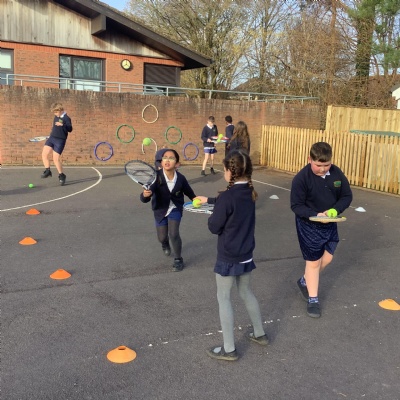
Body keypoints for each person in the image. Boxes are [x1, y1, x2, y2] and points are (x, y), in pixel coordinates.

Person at [201, 150, 268, 361]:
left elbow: (214, 226)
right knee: (246, 292)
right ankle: (260, 333)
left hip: (228, 256)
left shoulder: (227, 197)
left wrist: (213, 211)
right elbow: (231, 204)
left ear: (230, 171)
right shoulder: (250, 192)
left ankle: (229, 349)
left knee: (224, 298)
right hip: (246, 253)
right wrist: (211, 200)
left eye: (224, 169)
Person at [290, 142, 352, 318]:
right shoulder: (301, 178)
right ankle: (313, 299)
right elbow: (296, 205)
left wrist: (335, 210)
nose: (323, 169)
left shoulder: (336, 173)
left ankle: (305, 280)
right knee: (313, 262)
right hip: (308, 224)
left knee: (328, 258)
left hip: (330, 222)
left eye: (327, 165)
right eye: (318, 165)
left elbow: (346, 196)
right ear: (309, 159)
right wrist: (315, 214)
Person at [140, 149, 197, 272]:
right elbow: (145, 197)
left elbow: (189, 192)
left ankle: (178, 259)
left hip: (175, 208)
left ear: (177, 164)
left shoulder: (181, 178)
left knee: (174, 234)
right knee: (162, 237)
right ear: (161, 162)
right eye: (165, 157)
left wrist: (195, 200)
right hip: (160, 209)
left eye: (171, 158)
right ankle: (164, 243)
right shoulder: (155, 177)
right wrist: (145, 195)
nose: (167, 160)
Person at [41, 103, 73, 186]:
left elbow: (70, 129)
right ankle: (48, 170)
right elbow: (54, 127)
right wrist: (51, 134)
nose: (55, 114)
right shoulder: (56, 117)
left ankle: (61, 175)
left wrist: (63, 125)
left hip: (60, 140)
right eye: (54, 112)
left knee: (55, 159)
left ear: (60, 110)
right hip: (52, 138)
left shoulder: (66, 118)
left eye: (56, 112)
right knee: (44, 154)